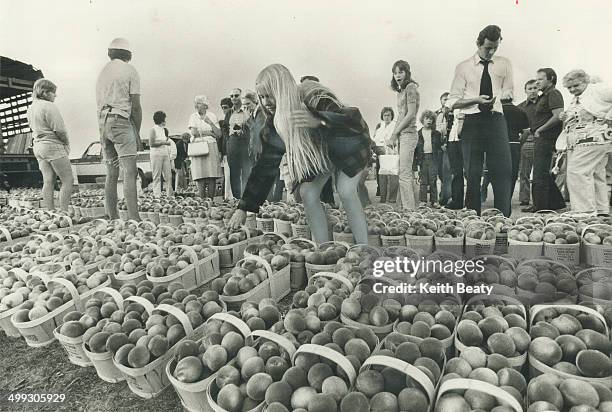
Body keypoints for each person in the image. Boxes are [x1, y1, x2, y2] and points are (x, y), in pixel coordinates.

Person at [229, 64, 371, 244]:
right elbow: (265, 167)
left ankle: (364, 248)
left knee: (345, 189)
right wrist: (244, 207)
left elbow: (353, 120)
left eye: (269, 95)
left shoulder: (315, 98)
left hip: (349, 143)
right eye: (261, 97)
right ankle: (324, 247)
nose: (265, 102)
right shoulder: (276, 123)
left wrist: (320, 120)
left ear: (281, 90)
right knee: (307, 192)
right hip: (322, 152)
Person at [447, 25, 513, 217]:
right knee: (473, 173)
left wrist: (502, 97)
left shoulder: (504, 64)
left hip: (496, 119)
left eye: (495, 48)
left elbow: (509, 90)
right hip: (472, 120)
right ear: (478, 43)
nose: (491, 52)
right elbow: (452, 101)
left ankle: (503, 218)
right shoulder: (463, 67)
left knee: (503, 169)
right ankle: (472, 217)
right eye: (487, 48)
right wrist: (476, 100)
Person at [96, 37, 142, 220]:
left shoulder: (103, 72)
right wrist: (136, 132)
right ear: (128, 54)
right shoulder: (130, 70)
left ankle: (112, 217)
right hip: (120, 119)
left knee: (112, 172)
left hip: (103, 121)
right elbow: (136, 106)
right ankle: (134, 219)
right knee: (130, 172)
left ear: (110, 53)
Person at [560, 69, 612, 215]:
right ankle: (601, 210)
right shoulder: (579, 97)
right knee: (596, 173)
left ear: (585, 81)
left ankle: (585, 211)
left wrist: (609, 117)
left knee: (577, 171)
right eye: (569, 87)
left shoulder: (597, 89)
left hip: (594, 138)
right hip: (589, 140)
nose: (572, 90)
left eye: (576, 85)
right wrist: (566, 116)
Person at [522, 68, 566, 212]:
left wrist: (540, 129)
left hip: (545, 137)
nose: (537, 82)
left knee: (540, 171)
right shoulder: (544, 96)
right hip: (540, 136)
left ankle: (540, 206)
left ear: (551, 79)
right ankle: (557, 203)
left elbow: (558, 115)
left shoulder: (553, 93)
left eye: (540, 79)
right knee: (542, 172)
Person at [26, 78, 73, 212]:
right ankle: (64, 211)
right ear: (45, 92)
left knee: (48, 180)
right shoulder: (49, 106)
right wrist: (66, 143)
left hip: (38, 146)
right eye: (53, 92)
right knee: (67, 179)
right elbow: (60, 129)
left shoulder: (31, 108)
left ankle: (51, 212)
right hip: (52, 144)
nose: (55, 95)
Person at [388, 60, 420, 210]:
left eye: (401, 72)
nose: (397, 75)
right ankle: (401, 207)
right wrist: (393, 136)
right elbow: (400, 116)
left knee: (405, 173)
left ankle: (409, 210)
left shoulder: (410, 87)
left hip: (409, 134)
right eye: (395, 73)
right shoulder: (400, 91)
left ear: (407, 73)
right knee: (403, 172)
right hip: (402, 134)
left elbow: (410, 114)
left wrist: (395, 133)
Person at [187, 95, 222, 199]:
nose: (196, 105)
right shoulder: (193, 116)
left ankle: (211, 200)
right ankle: (202, 200)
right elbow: (193, 132)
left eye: (199, 103)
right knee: (200, 175)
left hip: (211, 147)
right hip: (198, 148)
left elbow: (219, 134)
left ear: (205, 105)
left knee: (211, 175)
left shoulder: (212, 116)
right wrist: (209, 133)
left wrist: (210, 123)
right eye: (196, 103)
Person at [226, 88, 252, 198]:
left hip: (245, 143)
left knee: (247, 171)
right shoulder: (229, 112)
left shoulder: (246, 109)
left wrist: (243, 131)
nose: (233, 98)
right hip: (233, 143)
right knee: (234, 171)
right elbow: (226, 128)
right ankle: (237, 198)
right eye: (231, 96)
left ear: (241, 96)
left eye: (236, 95)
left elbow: (251, 126)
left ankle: (247, 197)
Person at [517, 79, 538, 207]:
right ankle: (524, 198)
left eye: (535, 88)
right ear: (525, 91)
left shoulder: (544, 104)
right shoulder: (520, 108)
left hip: (542, 139)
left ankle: (539, 199)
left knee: (541, 172)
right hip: (527, 139)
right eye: (529, 89)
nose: (532, 91)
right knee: (524, 171)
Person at [415, 110, 443, 206]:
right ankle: (423, 201)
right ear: (422, 120)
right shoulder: (417, 134)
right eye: (427, 118)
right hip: (422, 159)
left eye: (431, 119)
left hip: (433, 158)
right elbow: (415, 150)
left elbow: (440, 147)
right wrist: (416, 164)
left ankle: (434, 201)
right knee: (423, 181)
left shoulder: (437, 134)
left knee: (433, 180)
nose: (429, 121)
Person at [372, 107, 398, 203]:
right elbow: (376, 140)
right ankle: (383, 197)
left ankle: (392, 198)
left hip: (392, 153)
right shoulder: (380, 127)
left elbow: (394, 139)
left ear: (392, 116)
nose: (387, 117)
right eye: (385, 115)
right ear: (382, 116)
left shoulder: (395, 126)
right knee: (382, 175)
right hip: (381, 153)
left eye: (389, 115)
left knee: (392, 175)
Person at [148, 111, 173, 197]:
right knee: (157, 176)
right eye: (164, 119)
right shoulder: (153, 129)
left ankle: (170, 195)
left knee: (168, 176)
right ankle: (157, 195)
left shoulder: (163, 130)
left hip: (165, 154)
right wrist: (164, 143)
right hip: (156, 154)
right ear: (161, 120)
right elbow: (151, 143)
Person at [435, 92, 452, 205]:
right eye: (444, 99)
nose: (446, 101)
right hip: (438, 145)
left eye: (448, 99)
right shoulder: (436, 113)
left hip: (448, 145)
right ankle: (443, 194)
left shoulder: (452, 113)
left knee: (447, 171)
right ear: (440, 100)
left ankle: (446, 196)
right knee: (440, 172)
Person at [445, 109, 464, 209]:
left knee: (469, 172)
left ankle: (471, 202)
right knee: (456, 172)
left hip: (464, 139)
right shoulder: (451, 109)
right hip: (453, 139)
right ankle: (457, 201)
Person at [218, 97, 233, 199]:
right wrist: (220, 151)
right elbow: (220, 139)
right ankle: (227, 198)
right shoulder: (221, 123)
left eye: (226, 107)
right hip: (226, 152)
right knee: (227, 176)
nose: (224, 110)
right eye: (222, 108)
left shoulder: (235, 119)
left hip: (236, 150)